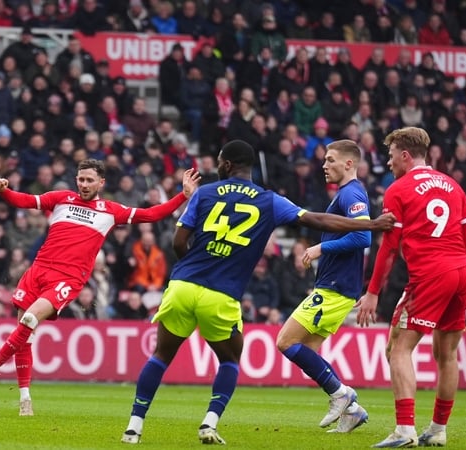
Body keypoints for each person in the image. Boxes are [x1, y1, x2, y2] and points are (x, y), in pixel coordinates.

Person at [119, 140, 394, 445]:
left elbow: (177, 242)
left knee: (160, 356)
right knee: (232, 360)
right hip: (221, 294)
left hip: (183, 284)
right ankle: (210, 423)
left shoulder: (205, 192)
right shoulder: (269, 200)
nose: (324, 165)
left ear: (225, 165)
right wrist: (373, 224)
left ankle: (133, 427)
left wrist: (195, 264)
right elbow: (316, 219)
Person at [0, 159, 200, 417]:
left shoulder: (110, 210)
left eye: (90, 180)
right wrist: (4, 191)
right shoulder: (61, 198)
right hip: (38, 270)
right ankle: (25, 399)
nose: (84, 184)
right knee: (25, 335)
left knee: (30, 318)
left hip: (67, 278)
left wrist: (183, 195)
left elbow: (152, 214)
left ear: (101, 182)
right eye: (81, 179)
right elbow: (24, 200)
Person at [356, 127, 466, 448]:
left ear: (405, 155)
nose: (389, 161)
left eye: (391, 154)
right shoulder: (453, 186)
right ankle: (438, 429)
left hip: (431, 275)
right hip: (462, 272)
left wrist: (372, 291)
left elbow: (389, 248)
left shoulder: (398, 189)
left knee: (398, 348)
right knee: (447, 353)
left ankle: (405, 429)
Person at [275, 140, 372, 433]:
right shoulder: (344, 195)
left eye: (330, 160)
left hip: (336, 286)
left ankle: (342, 395)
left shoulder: (352, 193)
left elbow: (364, 237)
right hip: (336, 285)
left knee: (285, 341)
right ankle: (352, 411)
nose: (324, 165)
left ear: (348, 164)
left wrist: (321, 249)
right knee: (309, 349)